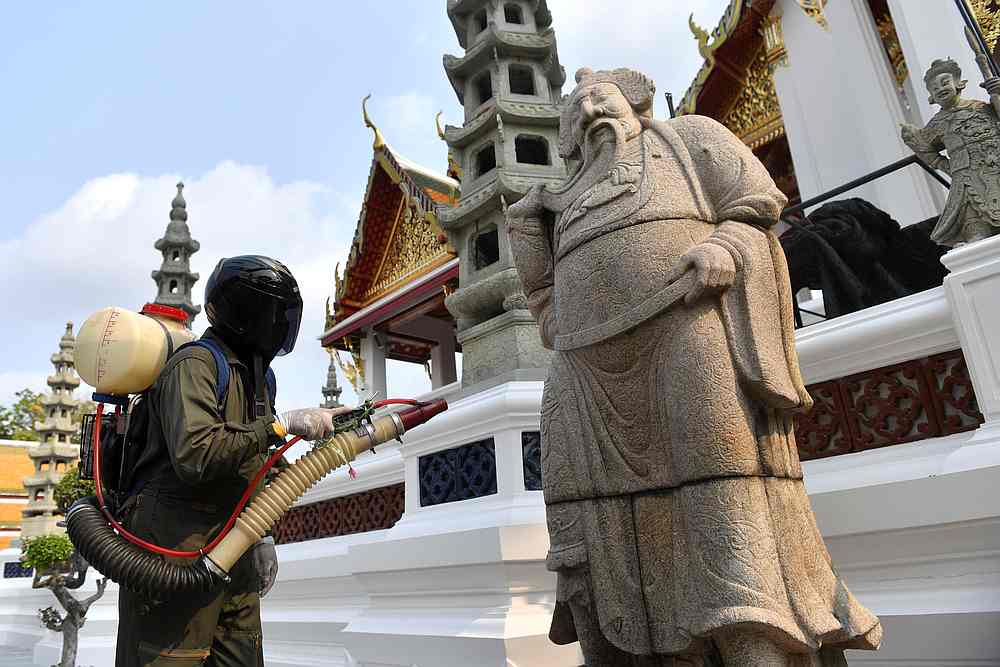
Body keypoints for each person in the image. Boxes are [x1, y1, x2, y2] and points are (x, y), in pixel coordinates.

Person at [506, 68, 881, 666]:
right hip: (586, 371)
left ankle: (754, 644)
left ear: (633, 104)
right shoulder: (555, 202)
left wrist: (725, 246)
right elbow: (541, 295)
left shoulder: (688, 141)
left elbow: (757, 208)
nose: (589, 111)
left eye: (600, 98)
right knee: (580, 514)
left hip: (684, 327)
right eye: (574, 111)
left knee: (724, 487)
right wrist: (551, 305)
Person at [115, 255, 351, 666]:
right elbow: (197, 455)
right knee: (173, 656)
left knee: (242, 655)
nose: (280, 325)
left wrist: (264, 535)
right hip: (176, 542)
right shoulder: (195, 365)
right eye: (274, 314)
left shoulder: (260, 377)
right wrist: (280, 427)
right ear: (247, 314)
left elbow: (252, 460)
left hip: (235, 537)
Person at [902, 58, 1000, 246]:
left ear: (959, 83)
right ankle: (976, 235)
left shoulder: (981, 108)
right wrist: (944, 164)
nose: (940, 88)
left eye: (944, 82)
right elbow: (927, 150)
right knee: (973, 216)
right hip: (967, 176)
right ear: (931, 96)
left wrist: (997, 92)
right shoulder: (937, 124)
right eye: (934, 88)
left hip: (994, 161)